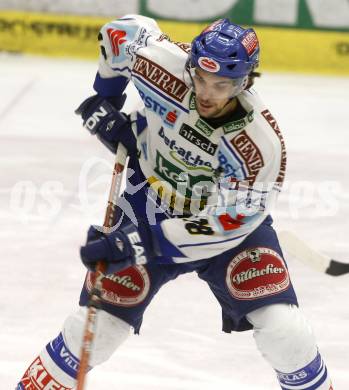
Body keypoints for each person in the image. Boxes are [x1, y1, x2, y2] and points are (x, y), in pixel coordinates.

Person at [17, 15, 333, 390]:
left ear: (245, 81)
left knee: (286, 335)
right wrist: (107, 97)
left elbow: (227, 225)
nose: (206, 92)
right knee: (97, 330)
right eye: (200, 77)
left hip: (221, 227)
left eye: (222, 84)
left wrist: (137, 242)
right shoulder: (161, 65)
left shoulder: (260, 147)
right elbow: (118, 34)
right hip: (146, 200)